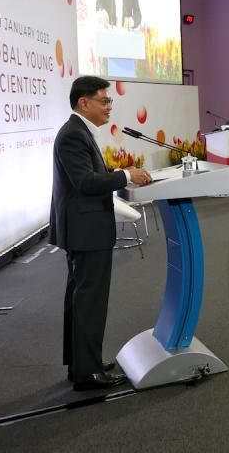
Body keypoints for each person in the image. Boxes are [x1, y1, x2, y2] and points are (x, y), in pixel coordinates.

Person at [50, 76, 152, 391]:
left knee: (83, 299)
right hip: (85, 230)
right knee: (89, 300)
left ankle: (83, 365)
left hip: (85, 228)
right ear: (84, 102)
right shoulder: (73, 135)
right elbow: (85, 182)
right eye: (104, 100)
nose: (109, 106)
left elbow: (93, 176)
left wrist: (121, 175)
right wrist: (123, 175)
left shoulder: (80, 132)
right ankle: (87, 372)